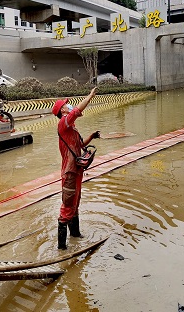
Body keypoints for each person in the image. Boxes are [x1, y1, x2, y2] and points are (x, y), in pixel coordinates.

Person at [53, 87, 100, 250]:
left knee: (75, 202)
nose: (70, 106)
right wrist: (90, 96)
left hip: (77, 170)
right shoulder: (63, 123)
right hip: (69, 172)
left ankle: (75, 235)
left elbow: (80, 145)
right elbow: (77, 110)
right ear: (62, 111)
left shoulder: (71, 128)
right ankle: (62, 248)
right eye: (66, 105)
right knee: (67, 205)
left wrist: (92, 136)